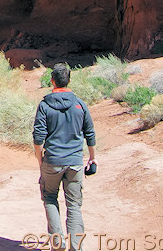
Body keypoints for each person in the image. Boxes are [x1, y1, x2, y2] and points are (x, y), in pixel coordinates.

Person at [32, 63, 97, 247]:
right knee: (74, 205)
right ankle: (76, 246)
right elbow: (90, 134)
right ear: (69, 80)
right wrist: (92, 158)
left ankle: (57, 242)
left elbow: (38, 139)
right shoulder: (79, 104)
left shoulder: (45, 105)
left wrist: (40, 160)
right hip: (75, 162)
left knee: (50, 198)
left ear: (52, 81)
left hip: (52, 161)